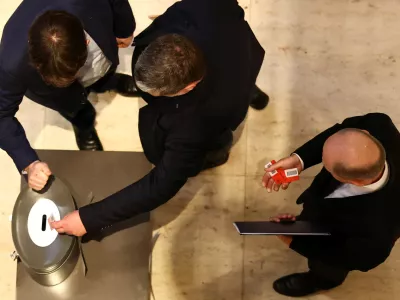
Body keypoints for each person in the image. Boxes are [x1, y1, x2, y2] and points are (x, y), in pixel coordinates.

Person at [51, 0, 269, 235]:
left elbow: (160, 186)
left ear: (188, 87)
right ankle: (248, 87)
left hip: (223, 96)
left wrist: (88, 219)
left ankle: (217, 154)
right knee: (237, 73)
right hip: (235, 51)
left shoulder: (194, 124)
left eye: (156, 95)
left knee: (214, 143)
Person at [0, 0, 137, 190]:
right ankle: (84, 125)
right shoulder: (11, 65)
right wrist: (29, 163)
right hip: (59, 96)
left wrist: (124, 29)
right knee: (76, 108)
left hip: (97, 50)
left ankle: (110, 82)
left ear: (86, 41)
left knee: (102, 74)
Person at [262, 113, 400, 297]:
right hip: (323, 214)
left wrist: (294, 242)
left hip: (340, 248)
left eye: (327, 167)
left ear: (355, 182)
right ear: (365, 133)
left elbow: (350, 257)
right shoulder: (378, 123)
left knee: (328, 269)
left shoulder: (378, 235)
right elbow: (340, 132)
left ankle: (320, 281)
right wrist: (299, 160)